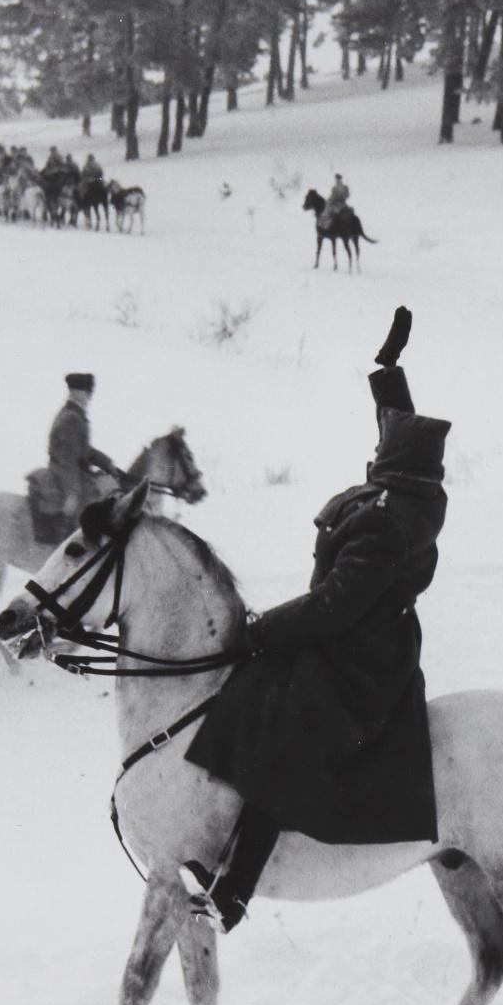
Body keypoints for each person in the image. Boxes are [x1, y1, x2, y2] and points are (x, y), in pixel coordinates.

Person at [182, 308, 446, 933]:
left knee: (287, 731)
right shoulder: (414, 492)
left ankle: (235, 892)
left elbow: (333, 606)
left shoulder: (385, 523)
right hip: (368, 637)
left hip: (360, 656)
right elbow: (400, 428)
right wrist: (389, 373)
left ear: (393, 465)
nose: (377, 446)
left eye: (384, 448)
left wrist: (261, 627)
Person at [37, 373, 125, 543]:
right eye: (85, 393)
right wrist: (72, 493)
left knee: (110, 487)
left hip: (74, 472)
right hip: (65, 474)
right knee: (98, 502)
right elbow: (66, 460)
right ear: (74, 392)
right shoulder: (71, 418)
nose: (88, 397)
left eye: (89, 393)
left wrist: (107, 464)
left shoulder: (75, 415)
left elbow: (83, 449)